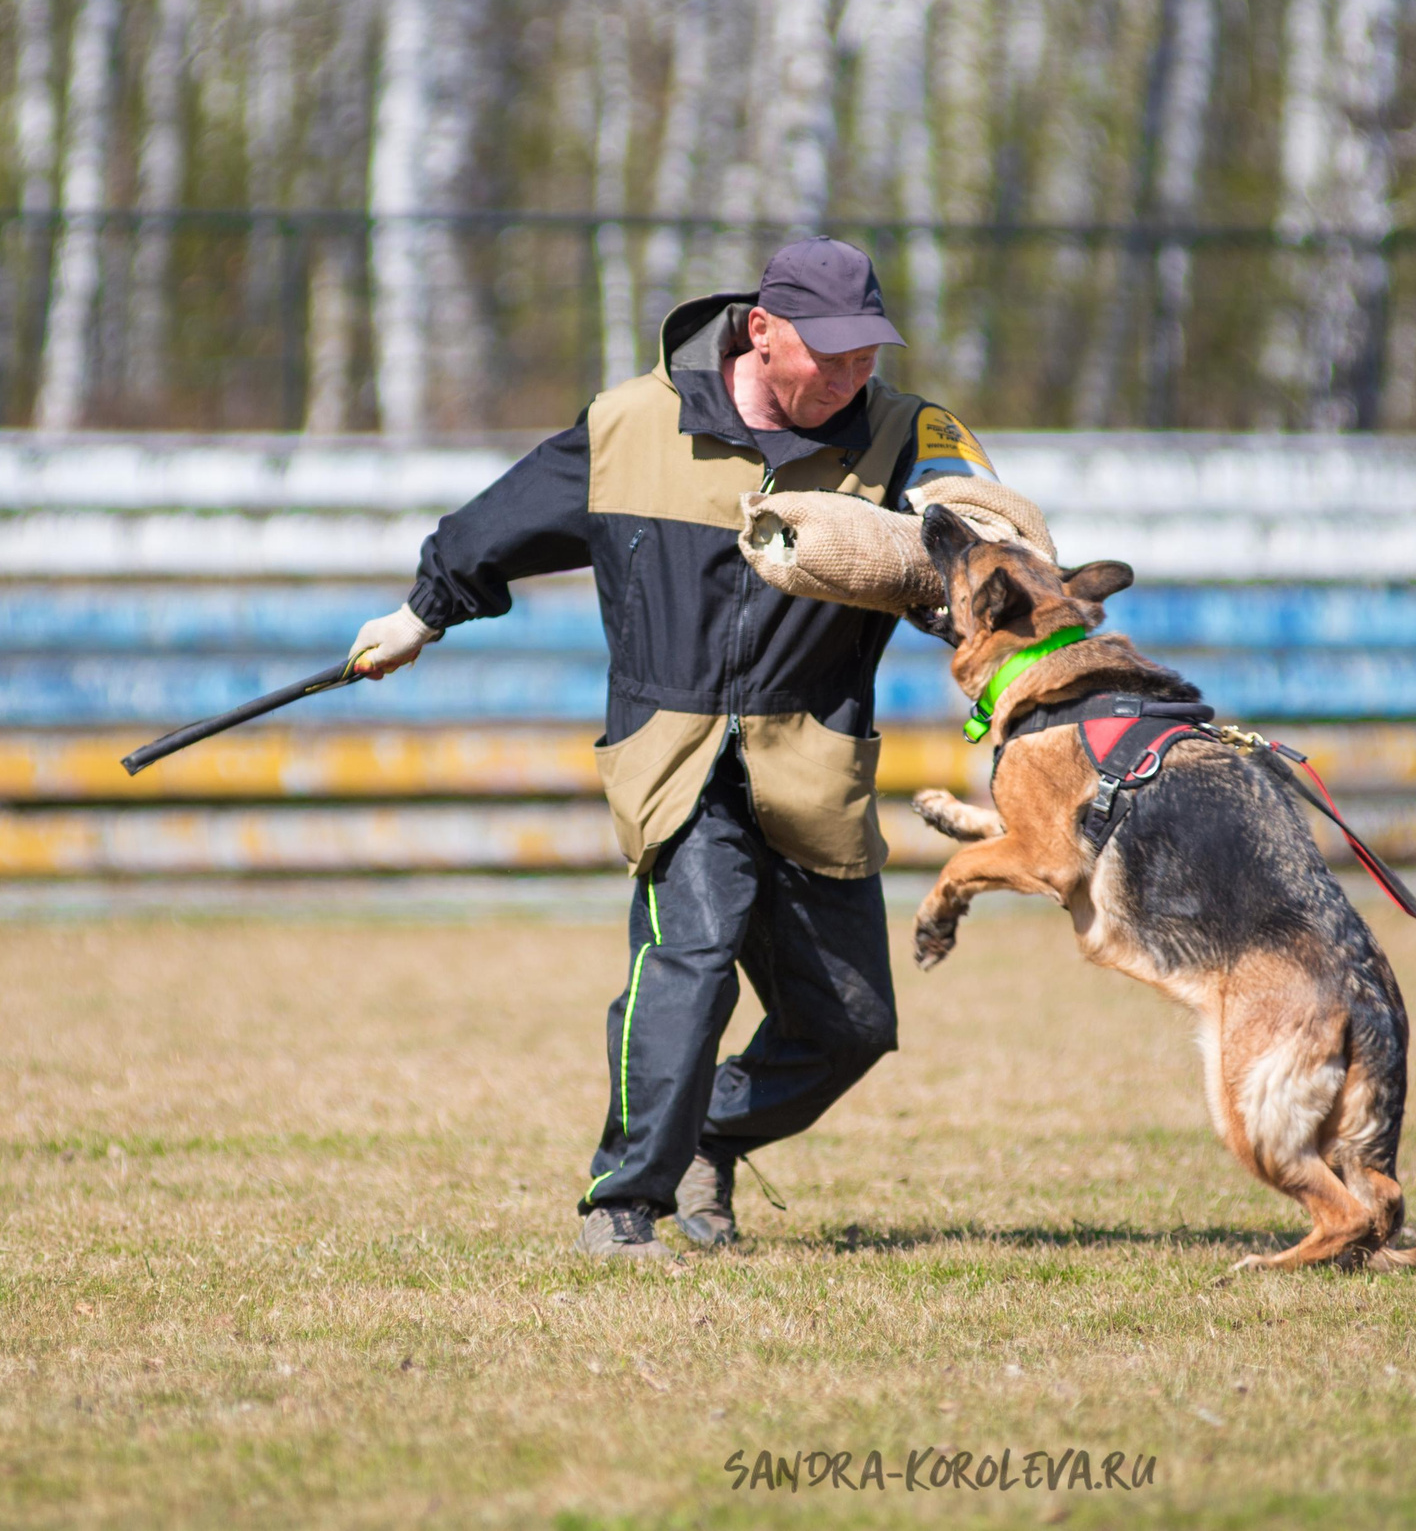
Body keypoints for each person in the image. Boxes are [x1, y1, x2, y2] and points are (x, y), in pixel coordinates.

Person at [347, 237, 1000, 1261]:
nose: (849, 376)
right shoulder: (632, 424)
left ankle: (710, 1134)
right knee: (689, 958)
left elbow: (981, 514)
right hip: (676, 745)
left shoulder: (907, 431)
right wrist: (423, 610)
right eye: (825, 355)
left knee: (852, 1024)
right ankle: (626, 1202)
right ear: (761, 330)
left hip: (813, 748)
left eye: (865, 354)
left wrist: (971, 553)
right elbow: (504, 518)